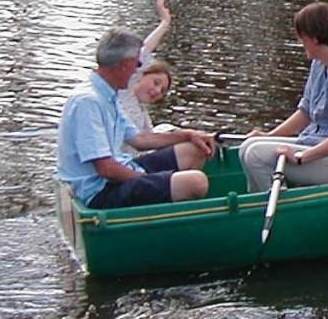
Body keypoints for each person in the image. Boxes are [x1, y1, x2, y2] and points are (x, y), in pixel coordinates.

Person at [57, 28, 216, 209]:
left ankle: (164, 212)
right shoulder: (89, 102)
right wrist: (149, 180)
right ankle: (164, 220)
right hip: (99, 193)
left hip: (118, 174)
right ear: (125, 64)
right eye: (137, 64)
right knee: (196, 182)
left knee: (193, 149)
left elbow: (140, 139)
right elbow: (106, 169)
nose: (137, 70)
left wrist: (188, 135)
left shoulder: (109, 96)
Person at [239, 2, 328, 190]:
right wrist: (268, 135)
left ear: (313, 38)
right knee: (248, 146)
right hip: (316, 143)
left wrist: (300, 158)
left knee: (256, 155)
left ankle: (280, 209)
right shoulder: (320, 63)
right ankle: (256, 204)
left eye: (301, 37)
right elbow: (306, 113)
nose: (300, 42)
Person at [117, 0, 173, 144]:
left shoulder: (143, 116)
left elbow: (151, 140)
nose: (157, 91)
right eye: (156, 83)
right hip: (121, 163)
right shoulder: (123, 92)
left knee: (170, 130)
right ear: (141, 75)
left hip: (139, 161)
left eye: (162, 91)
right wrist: (164, 23)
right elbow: (144, 52)